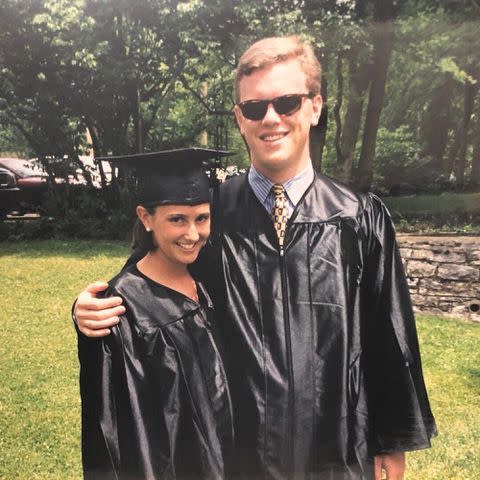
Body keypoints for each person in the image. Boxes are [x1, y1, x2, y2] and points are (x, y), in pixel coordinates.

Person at [75, 36, 436, 480]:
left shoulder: (358, 216)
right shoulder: (211, 214)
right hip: (238, 453)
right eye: (254, 108)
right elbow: (155, 277)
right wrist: (95, 306)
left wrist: (391, 440)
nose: (271, 119)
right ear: (239, 119)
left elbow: (389, 331)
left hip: (338, 445)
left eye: (287, 103)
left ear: (315, 107)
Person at [77, 148, 234, 479]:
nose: (193, 235)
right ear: (146, 217)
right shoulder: (121, 309)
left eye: (201, 218)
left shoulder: (209, 278)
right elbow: (112, 437)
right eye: (177, 219)